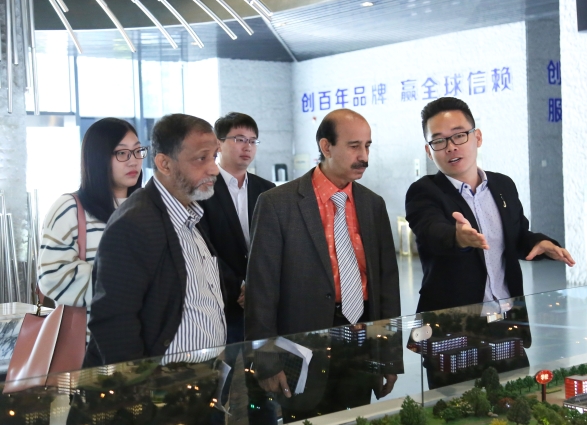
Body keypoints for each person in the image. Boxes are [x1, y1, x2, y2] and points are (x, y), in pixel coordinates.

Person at [245, 109, 402, 412]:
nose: (364, 156)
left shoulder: (372, 204)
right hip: (302, 349)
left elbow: (387, 286)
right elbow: (261, 291)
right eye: (354, 146)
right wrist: (266, 361)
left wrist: (389, 356)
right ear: (326, 146)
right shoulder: (278, 204)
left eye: (367, 146)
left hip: (360, 342)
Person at [405, 97, 575, 313]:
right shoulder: (424, 191)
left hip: (508, 315)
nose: (451, 147)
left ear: (477, 137)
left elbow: (516, 236)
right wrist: (457, 237)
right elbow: (432, 232)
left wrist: (539, 242)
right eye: (438, 141)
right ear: (429, 151)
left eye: (459, 135)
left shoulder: (503, 185)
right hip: (455, 321)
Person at [84, 113, 226, 367]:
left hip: (202, 375)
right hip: (162, 381)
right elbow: (114, 321)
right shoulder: (135, 222)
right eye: (201, 158)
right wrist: (140, 384)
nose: (214, 169)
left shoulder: (193, 214)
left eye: (214, 157)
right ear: (164, 163)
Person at [38, 118, 144, 339]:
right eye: (122, 153)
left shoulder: (147, 208)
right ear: (98, 158)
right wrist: (121, 281)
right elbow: (51, 276)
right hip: (87, 343)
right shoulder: (69, 208)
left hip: (143, 342)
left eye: (137, 151)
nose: (133, 161)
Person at [200, 112, 275, 344]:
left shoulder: (268, 190)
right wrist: (239, 287)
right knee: (225, 363)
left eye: (252, 141)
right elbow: (204, 247)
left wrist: (257, 287)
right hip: (219, 299)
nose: (247, 147)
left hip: (263, 300)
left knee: (264, 361)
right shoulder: (202, 189)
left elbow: (273, 246)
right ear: (219, 143)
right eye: (239, 139)